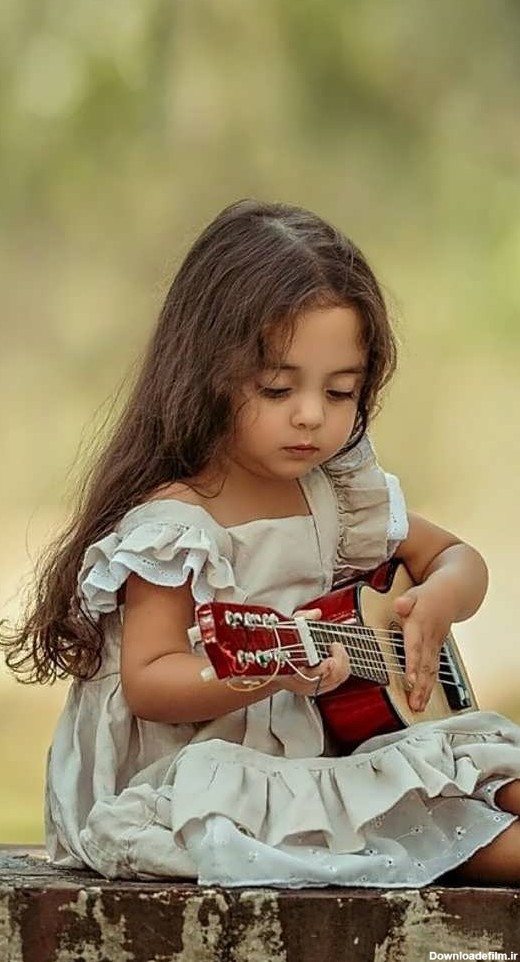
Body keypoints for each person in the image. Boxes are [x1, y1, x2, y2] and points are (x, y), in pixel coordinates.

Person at [4, 198, 520, 888]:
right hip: (212, 776)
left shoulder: (339, 496)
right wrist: (267, 673)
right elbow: (149, 681)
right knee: (482, 837)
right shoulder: (177, 528)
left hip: (334, 751)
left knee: (497, 766)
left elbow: (459, 558)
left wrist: (439, 600)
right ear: (207, 372)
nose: (311, 415)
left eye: (341, 392)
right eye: (278, 388)